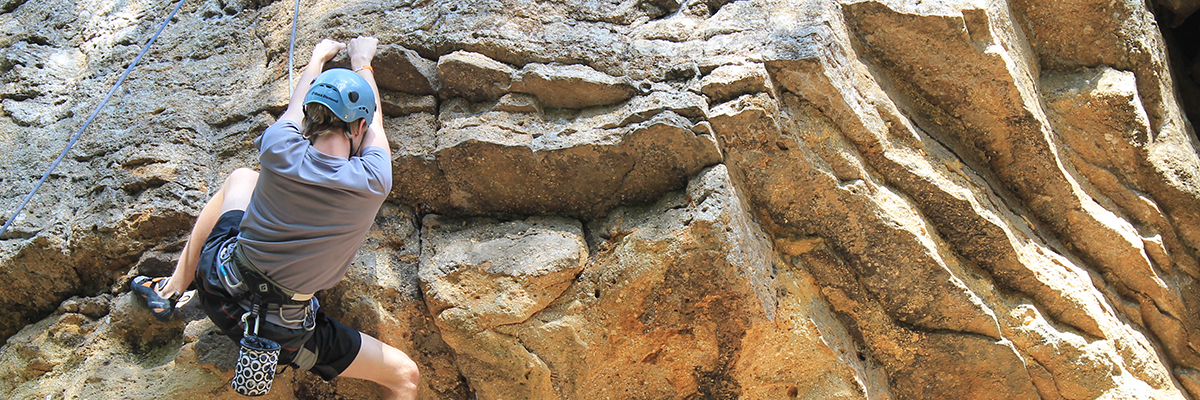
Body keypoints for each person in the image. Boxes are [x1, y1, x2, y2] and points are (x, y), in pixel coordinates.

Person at [132, 36, 419, 399]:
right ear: (358, 129)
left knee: (240, 178)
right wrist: (362, 61)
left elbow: (297, 104)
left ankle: (172, 289)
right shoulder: (373, 180)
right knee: (404, 376)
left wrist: (318, 57)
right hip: (281, 336)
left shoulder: (278, 146)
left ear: (311, 117)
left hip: (219, 287)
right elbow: (375, 118)